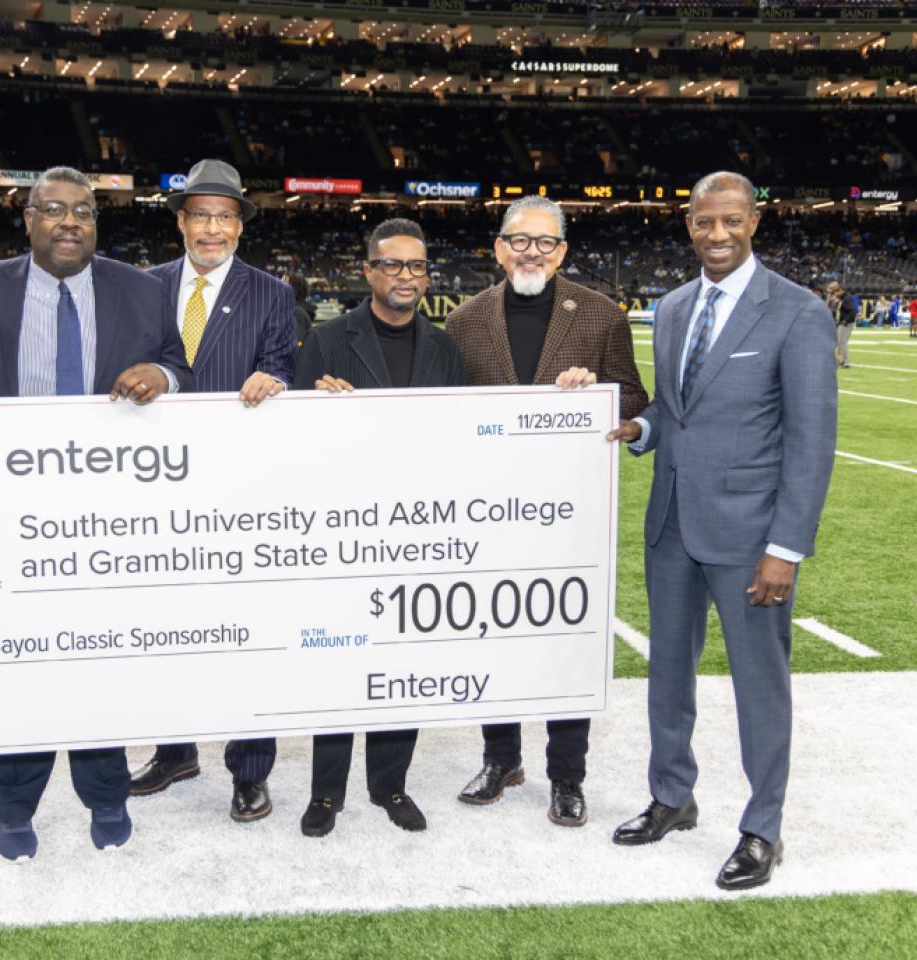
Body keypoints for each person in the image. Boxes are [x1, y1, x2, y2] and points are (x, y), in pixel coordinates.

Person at [0, 165, 194, 861]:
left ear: (95, 222)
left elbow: (182, 366)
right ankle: (13, 806)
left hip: (102, 518)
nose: (69, 222)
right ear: (27, 218)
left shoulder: (140, 289)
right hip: (4, 510)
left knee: (96, 661)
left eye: (83, 211)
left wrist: (163, 377)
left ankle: (106, 794)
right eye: (53, 209)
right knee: (19, 663)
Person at [607, 171, 836, 891]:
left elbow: (810, 440)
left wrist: (785, 548)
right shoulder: (673, 307)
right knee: (667, 675)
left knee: (758, 686)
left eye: (731, 221)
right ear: (689, 226)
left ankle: (762, 827)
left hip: (750, 538)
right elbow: (678, 411)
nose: (717, 235)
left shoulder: (797, 313)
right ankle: (673, 796)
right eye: (704, 222)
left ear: (754, 223)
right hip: (673, 522)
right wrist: (641, 427)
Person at [445, 196, 648, 828]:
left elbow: (635, 399)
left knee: (566, 643)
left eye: (546, 242)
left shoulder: (600, 314)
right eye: (519, 240)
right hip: (486, 511)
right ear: (499, 246)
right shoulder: (464, 319)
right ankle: (501, 757)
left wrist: (601, 396)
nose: (532, 251)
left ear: (563, 251)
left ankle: (567, 775)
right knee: (492, 634)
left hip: (569, 514)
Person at [292, 217, 466, 838]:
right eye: (393, 265)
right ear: (367, 271)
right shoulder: (330, 337)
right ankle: (325, 793)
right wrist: (316, 402)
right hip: (345, 527)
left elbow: (459, 443)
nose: (406, 277)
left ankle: (390, 784)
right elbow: (295, 432)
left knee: (403, 661)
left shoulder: (444, 349)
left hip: (419, 529)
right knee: (338, 661)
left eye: (416, 267)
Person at [135, 158, 296, 822]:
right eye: (199, 215)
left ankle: (250, 768)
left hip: (239, 492)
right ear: (180, 222)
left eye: (224, 217)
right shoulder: (144, 287)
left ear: (239, 227)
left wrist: (277, 379)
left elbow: (285, 362)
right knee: (167, 626)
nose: (211, 228)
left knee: (247, 631)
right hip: (158, 490)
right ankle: (175, 749)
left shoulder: (272, 293)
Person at [826, 281, 856, 368]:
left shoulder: (847, 298)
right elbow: (828, 305)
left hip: (846, 323)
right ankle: (841, 360)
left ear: (842, 290)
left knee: (842, 342)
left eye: (836, 291)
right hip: (841, 322)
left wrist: (845, 320)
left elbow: (852, 311)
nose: (835, 293)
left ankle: (845, 362)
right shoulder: (841, 298)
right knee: (840, 342)